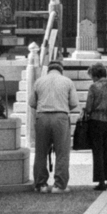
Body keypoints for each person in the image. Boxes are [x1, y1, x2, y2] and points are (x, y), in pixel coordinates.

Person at [29, 58, 79, 194]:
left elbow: (32, 103)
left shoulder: (39, 81)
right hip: (60, 117)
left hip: (42, 117)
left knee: (41, 152)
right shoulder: (67, 81)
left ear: (48, 69)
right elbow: (74, 103)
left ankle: (41, 185)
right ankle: (59, 185)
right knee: (62, 152)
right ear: (61, 70)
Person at [84, 61, 107, 190]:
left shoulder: (94, 87)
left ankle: (101, 182)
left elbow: (89, 107)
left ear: (95, 75)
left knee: (98, 151)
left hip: (97, 120)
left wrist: (85, 112)